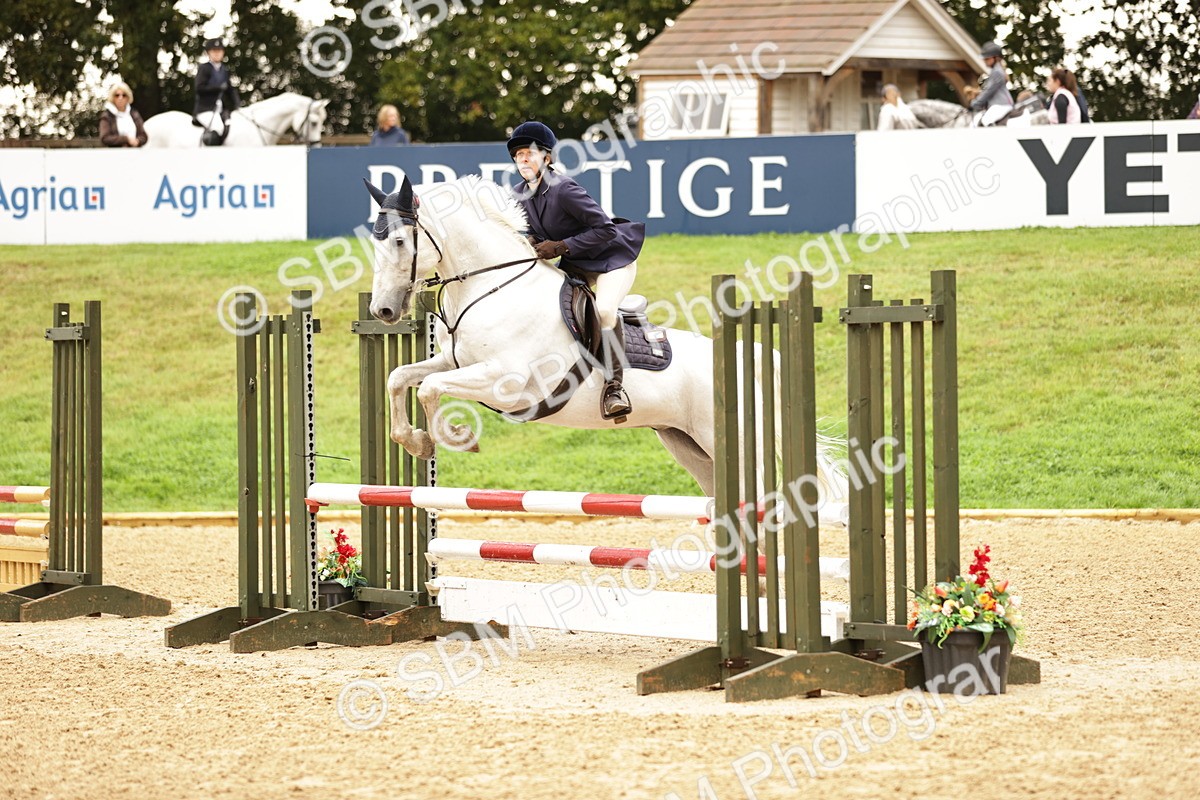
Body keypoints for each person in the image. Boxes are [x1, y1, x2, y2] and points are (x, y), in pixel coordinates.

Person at [506, 120, 645, 421]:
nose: (523, 159)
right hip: (576, 263)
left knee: (605, 311)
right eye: (518, 155)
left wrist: (559, 247)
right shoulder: (520, 192)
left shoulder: (564, 188)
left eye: (529, 153)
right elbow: (530, 230)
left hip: (611, 259)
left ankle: (615, 388)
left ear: (547, 157)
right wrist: (530, 242)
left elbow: (606, 230)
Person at [192, 37, 241, 145]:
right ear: (209, 53)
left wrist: (238, 105)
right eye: (214, 51)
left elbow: (231, 90)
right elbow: (199, 88)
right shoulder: (204, 68)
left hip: (220, 110)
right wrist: (217, 88)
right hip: (205, 109)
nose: (217, 54)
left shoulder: (224, 70)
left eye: (219, 51)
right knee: (218, 127)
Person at [971, 41, 1014, 126]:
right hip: (997, 105)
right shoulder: (995, 71)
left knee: (986, 121)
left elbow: (989, 91)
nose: (984, 61)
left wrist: (975, 103)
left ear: (995, 58)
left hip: (1001, 105)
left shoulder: (997, 72)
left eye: (987, 58)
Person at [99, 82, 148, 147]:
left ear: (128, 98)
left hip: (135, 153)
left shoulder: (134, 114)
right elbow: (105, 138)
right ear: (113, 98)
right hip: (115, 154)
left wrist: (137, 141)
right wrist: (126, 139)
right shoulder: (107, 116)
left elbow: (144, 136)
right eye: (117, 95)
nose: (120, 98)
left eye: (124, 95)